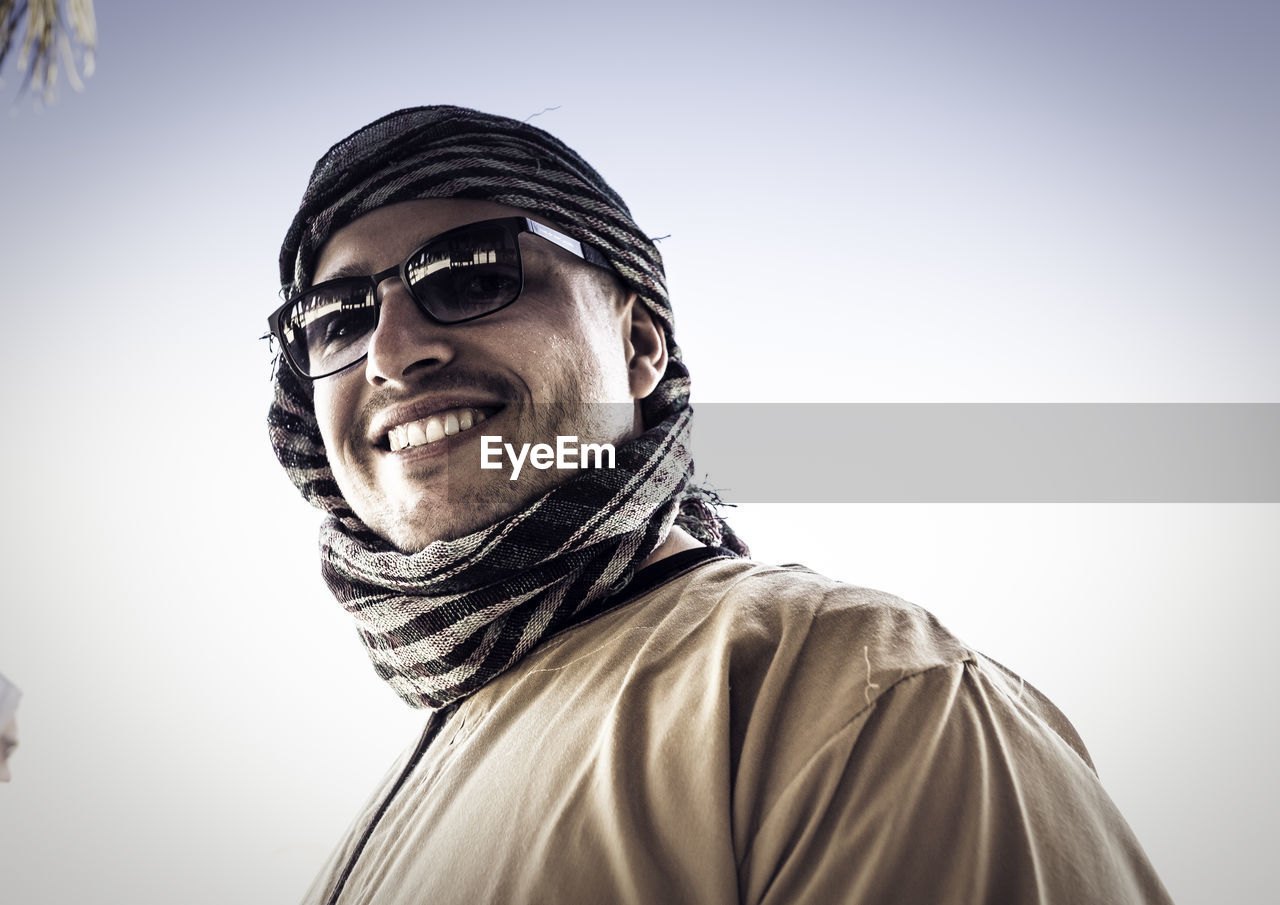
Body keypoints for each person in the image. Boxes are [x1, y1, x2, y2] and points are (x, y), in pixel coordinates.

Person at [267, 106, 1173, 904]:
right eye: (336, 317)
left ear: (640, 346)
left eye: (469, 275)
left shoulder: (845, 688)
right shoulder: (387, 809)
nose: (392, 351)